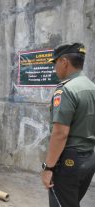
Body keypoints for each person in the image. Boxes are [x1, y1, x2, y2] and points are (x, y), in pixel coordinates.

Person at [41, 43, 95, 207]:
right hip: (89, 158)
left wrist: (48, 168)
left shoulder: (66, 90)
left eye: (55, 63)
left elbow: (60, 133)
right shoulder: (91, 87)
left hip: (69, 162)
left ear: (64, 62)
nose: (54, 68)